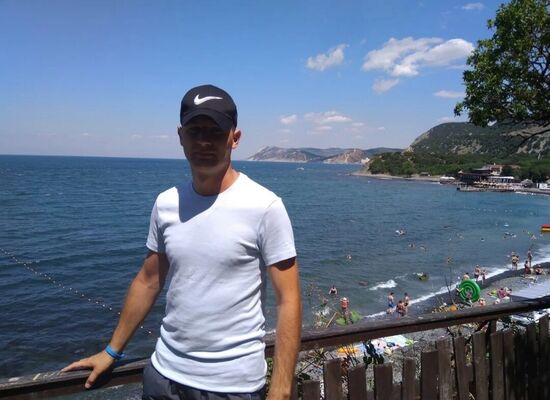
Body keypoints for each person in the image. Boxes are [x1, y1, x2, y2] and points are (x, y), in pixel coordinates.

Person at [62, 85, 302, 400]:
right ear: (180, 136)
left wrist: (281, 388)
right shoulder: (166, 203)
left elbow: (288, 300)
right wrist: (112, 351)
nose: (203, 141)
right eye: (194, 131)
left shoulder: (265, 207)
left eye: (215, 132)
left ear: (235, 137)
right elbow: (148, 280)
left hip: (231, 387)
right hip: (163, 377)